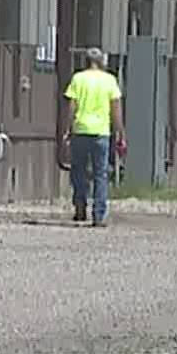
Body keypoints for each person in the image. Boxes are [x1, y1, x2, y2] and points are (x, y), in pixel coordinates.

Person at [60, 47, 124, 227]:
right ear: (100, 61)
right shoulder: (109, 80)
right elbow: (116, 109)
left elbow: (71, 106)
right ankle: (99, 214)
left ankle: (80, 206)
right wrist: (120, 132)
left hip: (80, 130)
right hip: (101, 132)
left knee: (78, 171)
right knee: (100, 174)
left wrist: (67, 129)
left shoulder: (78, 79)